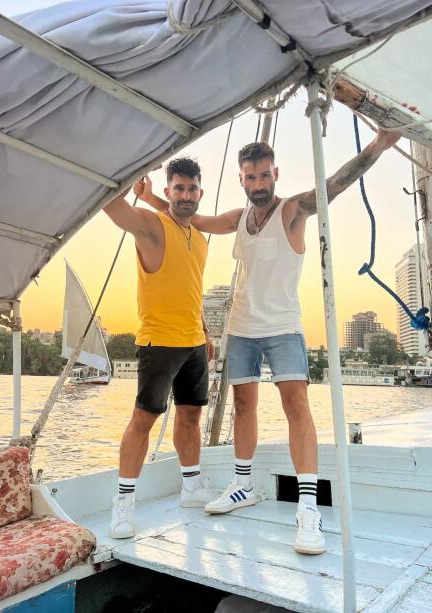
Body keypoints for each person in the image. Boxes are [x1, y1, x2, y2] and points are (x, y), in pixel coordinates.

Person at [135, 126, 401, 554]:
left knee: (296, 406)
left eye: (264, 176)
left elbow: (333, 186)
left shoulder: (292, 210)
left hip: (283, 327)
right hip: (241, 327)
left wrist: (377, 146)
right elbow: (187, 216)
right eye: (250, 178)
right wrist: (151, 199)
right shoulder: (237, 219)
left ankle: (308, 509)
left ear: (275, 174)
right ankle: (243, 486)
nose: (258, 185)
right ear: (241, 180)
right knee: (243, 406)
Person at [104, 157, 215, 539]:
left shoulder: (199, 239)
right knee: (143, 420)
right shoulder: (152, 226)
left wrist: (204, 331)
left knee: (190, 417)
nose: (186, 195)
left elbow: (190, 288)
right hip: (159, 342)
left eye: (192, 188)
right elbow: (111, 205)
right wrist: (130, 169)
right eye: (179, 188)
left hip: (194, 343)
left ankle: (192, 486)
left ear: (200, 192)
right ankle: (123, 507)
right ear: (167, 192)